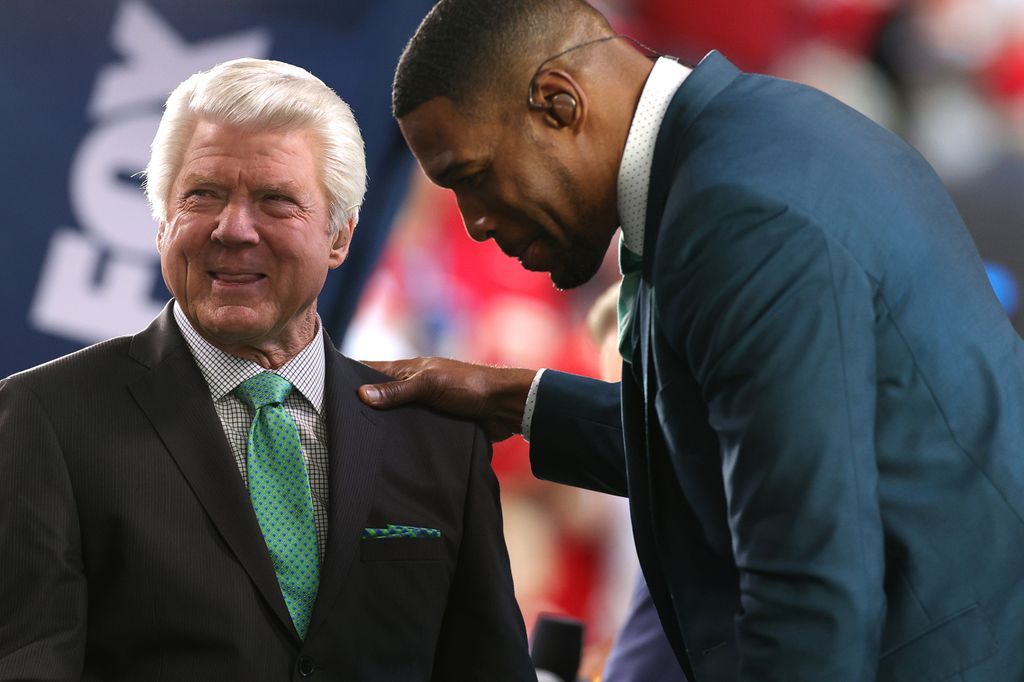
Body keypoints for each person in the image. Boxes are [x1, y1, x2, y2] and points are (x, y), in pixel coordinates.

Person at [358, 0, 1024, 679]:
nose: (472, 224)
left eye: (472, 178)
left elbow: (809, 592)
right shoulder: (745, 141)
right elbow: (748, 447)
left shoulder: (736, 214)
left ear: (558, 105)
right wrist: (515, 401)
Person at [0, 58, 534, 681]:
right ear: (162, 220)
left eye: (276, 201)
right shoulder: (46, 419)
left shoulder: (438, 436)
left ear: (340, 238)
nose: (233, 229)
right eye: (203, 195)